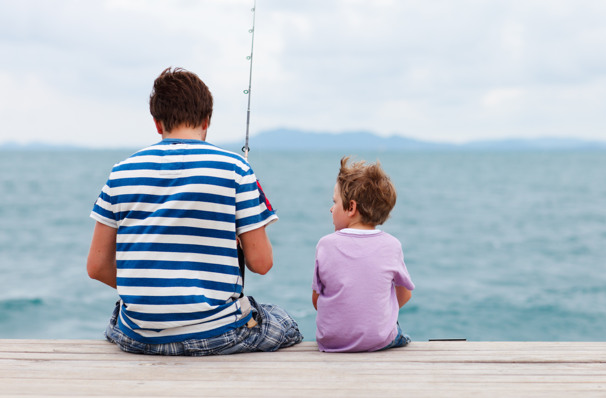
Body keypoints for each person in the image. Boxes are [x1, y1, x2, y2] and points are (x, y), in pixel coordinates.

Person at [86, 67, 302, 355]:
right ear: (207, 120)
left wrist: (155, 291)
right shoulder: (236, 169)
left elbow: (97, 266)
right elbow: (261, 263)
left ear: (157, 122)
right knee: (284, 321)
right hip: (215, 335)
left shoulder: (121, 171)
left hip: (137, 336)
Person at [311, 157, 414, 352]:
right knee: (398, 332)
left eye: (335, 202)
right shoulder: (392, 245)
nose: (331, 208)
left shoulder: (325, 244)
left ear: (351, 207)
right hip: (379, 340)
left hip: (331, 341)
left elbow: (317, 301)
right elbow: (405, 294)